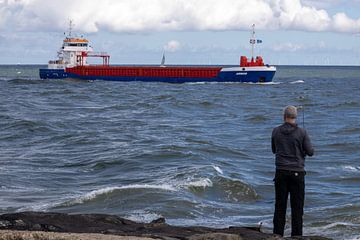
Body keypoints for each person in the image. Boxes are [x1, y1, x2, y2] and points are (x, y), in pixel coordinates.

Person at [271, 105, 314, 237]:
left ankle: (277, 236)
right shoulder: (302, 132)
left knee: (280, 207)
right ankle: (296, 236)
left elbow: (274, 150)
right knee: (297, 209)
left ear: (284, 116)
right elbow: (310, 152)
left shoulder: (275, 131)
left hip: (281, 172)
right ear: (295, 117)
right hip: (297, 173)